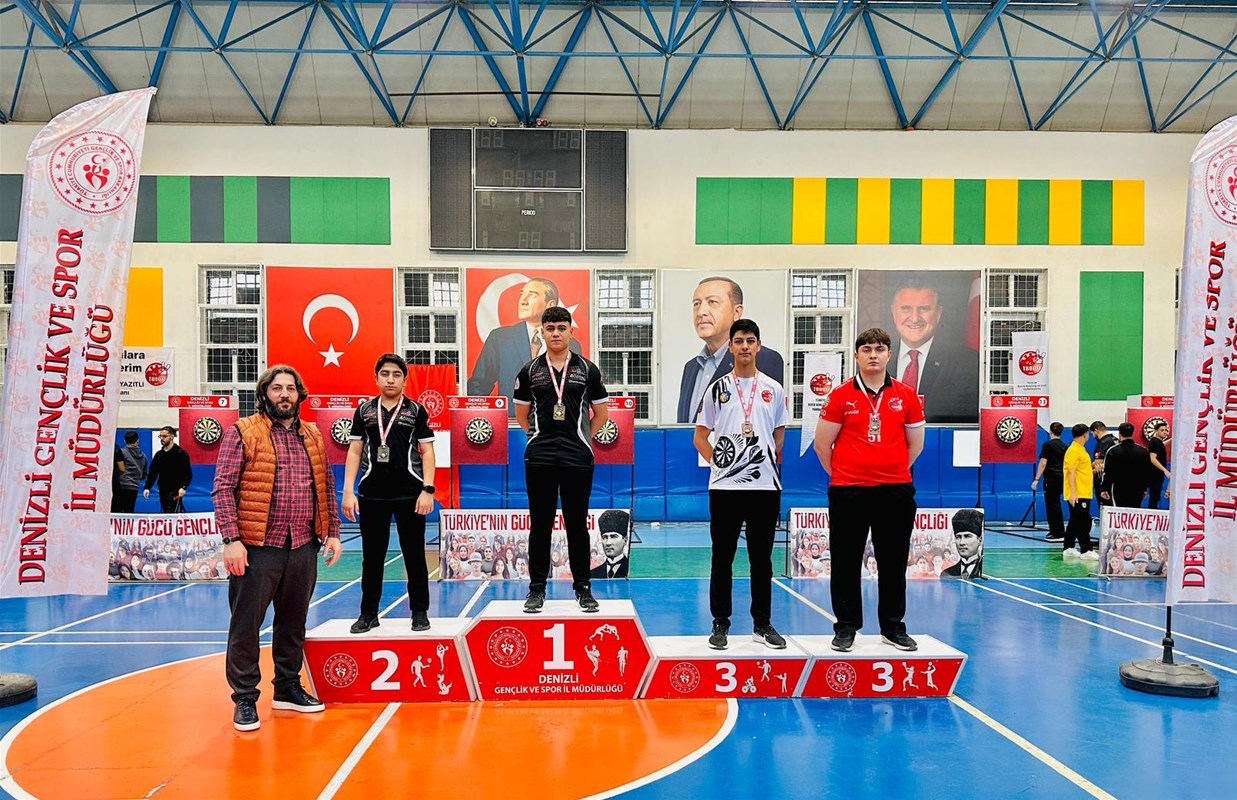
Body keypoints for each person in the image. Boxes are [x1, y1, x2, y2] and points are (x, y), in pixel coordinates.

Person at [212, 365, 343, 732]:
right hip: (258, 546)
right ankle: (244, 698)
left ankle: (286, 688)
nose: (284, 394)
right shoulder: (243, 432)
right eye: (276, 388)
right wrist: (231, 540)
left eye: (290, 388)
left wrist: (332, 532)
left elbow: (325, 486)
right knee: (246, 625)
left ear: (299, 395)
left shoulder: (313, 435)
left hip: (302, 543)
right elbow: (223, 488)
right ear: (264, 394)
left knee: (293, 622)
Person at [814, 327, 925, 653]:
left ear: (889, 355)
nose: (873, 355)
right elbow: (822, 445)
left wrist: (891, 471)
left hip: (895, 491)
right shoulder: (840, 396)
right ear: (857, 356)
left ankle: (893, 627)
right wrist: (846, 475)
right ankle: (846, 627)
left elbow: (916, 445)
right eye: (866, 349)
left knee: (893, 562)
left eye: (879, 349)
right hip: (849, 491)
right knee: (846, 562)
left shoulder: (907, 396)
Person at [694, 319, 788, 651]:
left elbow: (779, 435)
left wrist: (764, 463)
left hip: (764, 487)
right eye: (739, 341)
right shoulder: (717, 389)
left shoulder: (774, 389)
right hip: (725, 489)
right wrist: (719, 463)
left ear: (758, 346)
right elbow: (700, 437)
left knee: (762, 560)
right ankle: (720, 623)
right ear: (731, 347)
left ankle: (762, 624)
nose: (745, 346)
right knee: (722, 557)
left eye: (750, 340)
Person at [514, 305, 609, 613]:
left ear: (571, 331)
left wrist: (582, 439)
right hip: (540, 457)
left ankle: (583, 588)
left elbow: (602, 414)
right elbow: (522, 414)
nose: (556, 333)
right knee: (540, 526)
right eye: (550, 328)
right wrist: (537, 437)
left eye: (561, 328)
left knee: (577, 526)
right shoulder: (529, 371)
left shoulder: (587, 369)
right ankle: (536, 589)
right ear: (542, 332)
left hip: (577, 458)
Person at [342, 354, 438, 635]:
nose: (391, 379)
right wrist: (348, 491)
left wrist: (427, 489)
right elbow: (355, 451)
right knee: (372, 557)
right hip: (372, 495)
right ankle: (368, 613)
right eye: (385, 374)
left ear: (404, 380)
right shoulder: (364, 411)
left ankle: (419, 612)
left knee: (414, 556)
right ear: (376, 378)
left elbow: (427, 451)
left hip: (410, 494)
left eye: (397, 375)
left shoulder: (416, 411)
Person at [677, 276, 784, 423]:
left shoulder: (763, 359)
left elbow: (768, 424)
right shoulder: (691, 368)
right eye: (696, 304)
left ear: (736, 312)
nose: (701, 312)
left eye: (712, 302)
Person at [466, 277, 582, 412]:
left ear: (550, 305)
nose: (522, 301)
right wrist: (485, 416)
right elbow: (479, 384)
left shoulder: (571, 345)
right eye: (522, 294)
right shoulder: (500, 338)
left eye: (532, 295)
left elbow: (575, 391)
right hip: (512, 421)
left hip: (552, 422)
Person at [887, 281, 978, 424]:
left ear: (938, 313)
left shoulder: (967, 363)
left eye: (924, 309)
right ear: (893, 312)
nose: (915, 318)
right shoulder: (873, 359)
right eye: (906, 309)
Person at [1063, 423, 1099, 561]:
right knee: (1083, 521)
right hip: (1078, 493)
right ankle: (1086, 549)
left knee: (1075, 520)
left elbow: (1081, 470)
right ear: (1085, 434)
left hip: (1085, 491)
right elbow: (1071, 472)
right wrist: (1073, 493)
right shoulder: (1073, 450)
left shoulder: (1081, 450)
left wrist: (1093, 468)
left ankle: (1068, 547)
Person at [1100, 423, 1152, 509]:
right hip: (1137, 489)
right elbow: (1146, 472)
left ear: (1119, 434)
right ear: (1133, 433)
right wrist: (1144, 489)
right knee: (1134, 512)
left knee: (1120, 512)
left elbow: (1108, 472)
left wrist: (1104, 488)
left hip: (1119, 488)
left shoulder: (1113, 451)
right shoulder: (1143, 451)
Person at [1031, 422, 1068, 542]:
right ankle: (1056, 530)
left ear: (1050, 432)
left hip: (1051, 478)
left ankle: (1057, 532)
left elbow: (1043, 463)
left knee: (1052, 505)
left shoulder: (1048, 445)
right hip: (1062, 477)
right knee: (1055, 504)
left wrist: (1036, 479)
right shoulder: (1064, 446)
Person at [143, 426, 192, 512]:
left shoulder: (181, 453)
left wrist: (183, 487)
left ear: (172, 437)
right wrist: (147, 487)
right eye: (160, 436)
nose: (162, 438)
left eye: (164, 436)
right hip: (162, 489)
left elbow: (187, 473)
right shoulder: (159, 455)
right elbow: (153, 473)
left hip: (176, 489)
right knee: (165, 511)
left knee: (170, 511)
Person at [940, 509, 984, 579]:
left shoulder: (984, 572)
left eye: (967, 536)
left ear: (979, 539)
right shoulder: (947, 574)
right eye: (958, 537)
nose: (961, 543)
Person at [112, 431, 148, 514]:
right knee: (129, 512)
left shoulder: (121, 452)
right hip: (134, 487)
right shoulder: (144, 456)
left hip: (121, 486)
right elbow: (144, 475)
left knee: (116, 512)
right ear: (137, 441)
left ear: (125, 441)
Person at [590, 509, 632, 579]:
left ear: (625, 540)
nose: (608, 543)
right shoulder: (593, 574)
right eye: (604, 537)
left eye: (613, 537)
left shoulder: (631, 571)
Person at [1147, 421, 1171, 509]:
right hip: (1155, 474)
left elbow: (1161, 445)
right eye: (1162, 430)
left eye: (1166, 430)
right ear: (1156, 431)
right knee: (1154, 497)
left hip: (1157, 474)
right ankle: (1152, 512)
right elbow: (1152, 458)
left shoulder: (1157, 442)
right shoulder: (1155, 443)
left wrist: (1171, 440)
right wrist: (1165, 470)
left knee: (1155, 497)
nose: (1165, 432)